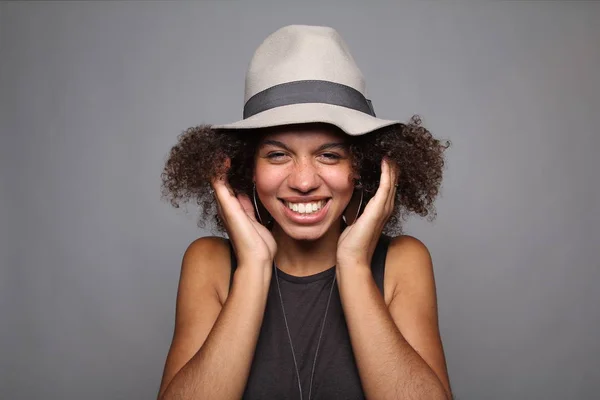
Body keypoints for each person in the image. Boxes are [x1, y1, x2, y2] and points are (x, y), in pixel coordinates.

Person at [157, 25, 452, 400]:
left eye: (329, 155)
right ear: (247, 168)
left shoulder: (402, 262)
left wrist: (355, 263)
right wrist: (253, 266)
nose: (303, 181)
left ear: (364, 167)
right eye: (278, 154)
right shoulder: (210, 262)